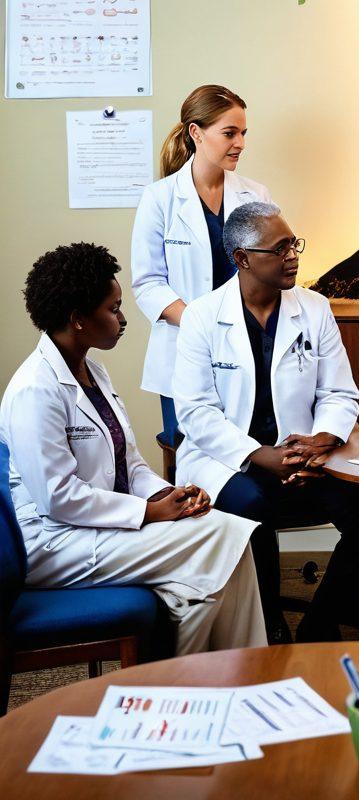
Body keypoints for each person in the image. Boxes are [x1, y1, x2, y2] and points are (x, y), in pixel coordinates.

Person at [0, 243, 267, 656]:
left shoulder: (93, 370)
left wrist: (166, 494)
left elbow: (130, 462)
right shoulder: (35, 389)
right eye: (113, 309)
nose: (123, 319)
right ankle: (245, 669)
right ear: (77, 319)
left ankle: (209, 681)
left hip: (96, 524)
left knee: (197, 588)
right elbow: (57, 498)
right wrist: (151, 512)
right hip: (56, 544)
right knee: (225, 535)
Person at [172, 201, 359, 642]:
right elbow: (196, 412)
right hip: (231, 461)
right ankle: (268, 629)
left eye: (293, 244)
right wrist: (262, 456)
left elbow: (339, 393)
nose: (293, 255)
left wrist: (320, 442)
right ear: (242, 258)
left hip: (308, 458)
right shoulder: (203, 318)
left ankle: (322, 622)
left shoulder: (314, 308)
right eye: (279, 249)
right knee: (249, 508)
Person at [131, 84, 273, 441]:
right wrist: (199, 324)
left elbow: (270, 270)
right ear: (196, 133)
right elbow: (148, 283)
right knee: (192, 457)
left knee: (243, 453)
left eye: (243, 133)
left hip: (246, 345)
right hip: (181, 350)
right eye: (229, 133)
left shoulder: (256, 195)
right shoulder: (160, 198)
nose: (240, 142)